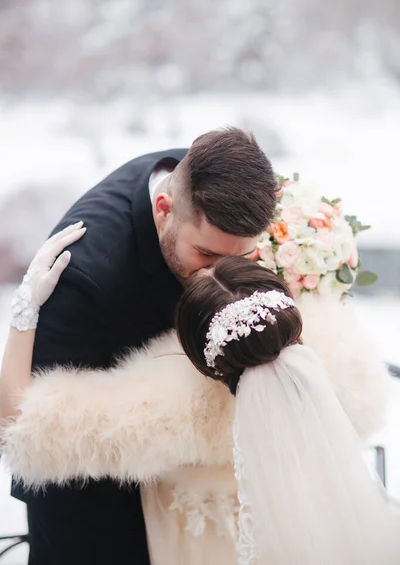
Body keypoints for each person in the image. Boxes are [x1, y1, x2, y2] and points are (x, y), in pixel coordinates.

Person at [1, 231, 398, 564]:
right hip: (309, 527)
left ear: (195, 347)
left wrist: (25, 310)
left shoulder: (165, 404)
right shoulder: (341, 354)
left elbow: (18, 427)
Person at [1, 127, 278, 565]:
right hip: (93, 498)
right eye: (206, 257)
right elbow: (26, 425)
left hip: (190, 486)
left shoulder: (212, 178)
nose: (220, 277)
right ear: (165, 210)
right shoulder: (85, 278)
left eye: (240, 259)